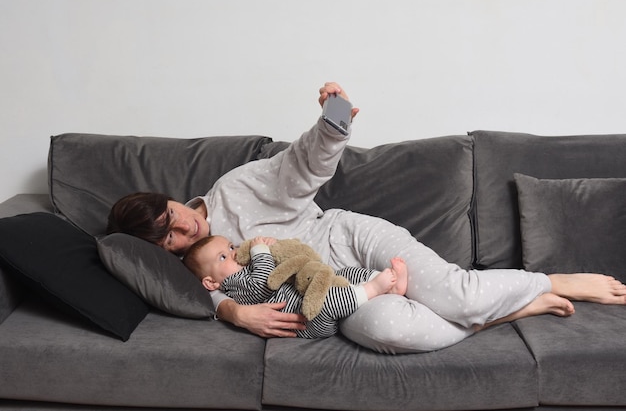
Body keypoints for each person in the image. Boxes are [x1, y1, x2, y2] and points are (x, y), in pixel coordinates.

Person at [107, 82, 626, 353]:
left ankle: (551, 280)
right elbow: (207, 289)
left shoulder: (232, 189)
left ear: (169, 199)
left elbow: (298, 168)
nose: (185, 228)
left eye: (173, 214)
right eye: (170, 237)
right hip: (337, 292)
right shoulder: (182, 266)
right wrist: (233, 312)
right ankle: (514, 311)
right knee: (391, 332)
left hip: (347, 238)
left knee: (459, 293)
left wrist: (332, 121)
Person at [182, 235, 407, 339]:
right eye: (223, 257)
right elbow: (264, 284)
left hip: (306, 294)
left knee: (341, 273)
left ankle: (388, 284)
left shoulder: (246, 268)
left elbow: (284, 265)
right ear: (211, 282)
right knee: (327, 301)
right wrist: (260, 252)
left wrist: (273, 247)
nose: (233, 253)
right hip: (308, 320)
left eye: (231, 246)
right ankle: (373, 289)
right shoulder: (235, 285)